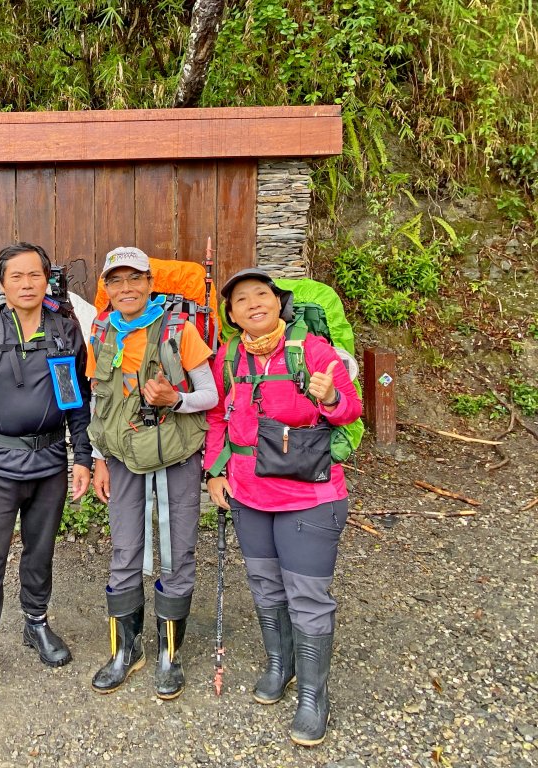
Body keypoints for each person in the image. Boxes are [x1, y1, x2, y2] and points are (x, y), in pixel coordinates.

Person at [203, 268, 363, 746]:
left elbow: (351, 408)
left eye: (262, 295)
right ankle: (281, 665)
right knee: (264, 584)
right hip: (249, 494)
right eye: (242, 300)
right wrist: (214, 470)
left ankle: (314, 694)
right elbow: (217, 416)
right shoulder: (230, 356)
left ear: (279, 302)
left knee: (307, 596)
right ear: (231, 316)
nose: (253, 304)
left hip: (309, 495)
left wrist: (331, 395)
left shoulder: (311, 348)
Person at [0, 242, 93, 708]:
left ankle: (36, 623)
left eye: (35, 275)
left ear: (48, 280)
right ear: (0, 284)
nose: (27, 284)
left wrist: (82, 456)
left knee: (40, 553)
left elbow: (75, 401)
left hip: (48, 465)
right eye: (17, 277)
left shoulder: (64, 332)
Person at [86, 246, 218, 700]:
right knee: (124, 550)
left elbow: (210, 394)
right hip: (123, 457)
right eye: (116, 281)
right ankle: (127, 652)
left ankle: (169, 655)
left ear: (149, 282)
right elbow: (98, 402)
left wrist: (173, 401)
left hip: (177, 455)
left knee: (178, 551)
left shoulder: (179, 329)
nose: (126, 288)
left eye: (134, 279)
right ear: (106, 288)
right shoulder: (102, 330)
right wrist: (98, 456)